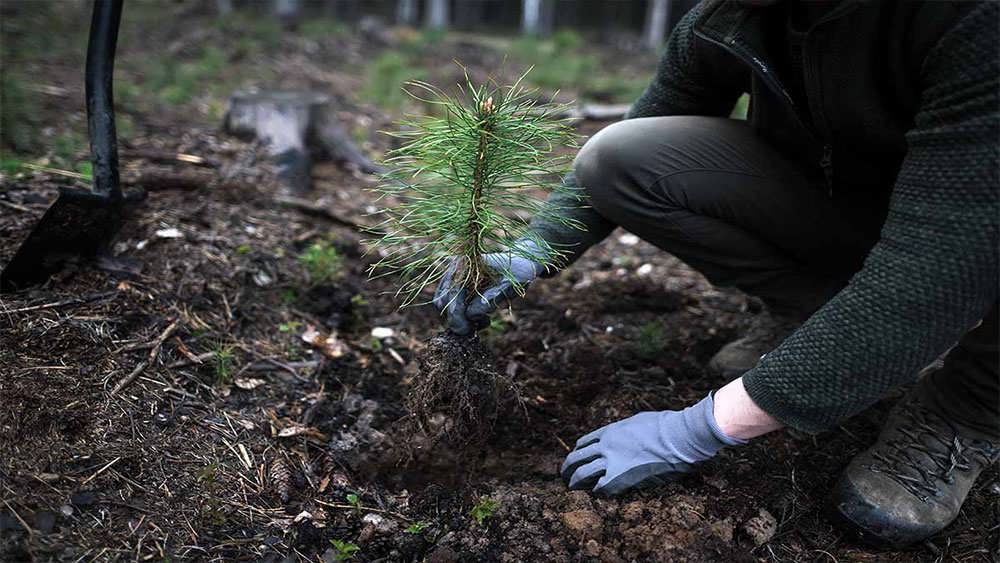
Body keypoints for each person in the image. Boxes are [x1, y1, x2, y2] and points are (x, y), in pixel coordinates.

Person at [434, 0, 998, 548]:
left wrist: (700, 429)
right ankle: (819, 316)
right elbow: (652, 119)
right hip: (867, 207)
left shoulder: (972, 20)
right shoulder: (733, 15)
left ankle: (964, 413)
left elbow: (936, 268)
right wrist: (534, 248)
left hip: (967, 228)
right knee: (622, 157)